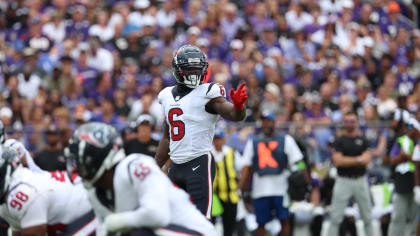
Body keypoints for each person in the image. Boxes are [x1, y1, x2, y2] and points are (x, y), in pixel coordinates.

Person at [65, 122, 217, 235]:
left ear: (97, 158)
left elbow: (157, 215)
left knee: (138, 232)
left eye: (81, 161)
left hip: (195, 231)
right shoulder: (95, 191)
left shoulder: (135, 165)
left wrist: (117, 221)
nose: (77, 168)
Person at [155, 45, 248, 218]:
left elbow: (234, 115)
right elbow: (167, 139)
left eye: (197, 70)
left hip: (198, 162)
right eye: (189, 69)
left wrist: (238, 106)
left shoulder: (207, 93)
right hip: (175, 166)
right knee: (175, 221)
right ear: (177, 70)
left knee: (199, 220)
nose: (193, 74)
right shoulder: (166, 95)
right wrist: (154, 167)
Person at [0, 147, 97, 235]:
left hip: (87, 206)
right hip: (66, 216)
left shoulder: (23, 193)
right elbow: (18, 230)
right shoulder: (9, 195)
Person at [239, 112, 307, 236]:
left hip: (281, 187)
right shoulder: (253, 141)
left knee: (284, 220)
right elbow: (246, 167)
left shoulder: (286, 139)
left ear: (274, 122)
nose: (266, 124)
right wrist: (241, 187)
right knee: (260, 222)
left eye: (268, 120)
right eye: (263, 121)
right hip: (260, 187)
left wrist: (305, 180)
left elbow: (299, 161)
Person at [327, 111, 373, 236]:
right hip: (343, 180)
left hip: (360, 180)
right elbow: (337, 161)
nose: (349, 124)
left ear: (357, 122)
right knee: (335, 217)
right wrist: (358, 159)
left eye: (352, 121)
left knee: (367, 216)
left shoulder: (363, 140)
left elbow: (367, 159)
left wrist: (346, 160)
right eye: (346, 121)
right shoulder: (339, 141)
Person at [387, 119, 419, 236]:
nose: (407, 129)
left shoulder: (418, 142)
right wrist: (403, 157)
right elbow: (392, 159)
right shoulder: (401, 140)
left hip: (417, 183)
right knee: (398, 216)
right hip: (402, 181)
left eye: (410, 126)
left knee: (415, 218)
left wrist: (407, 156)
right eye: (406, 127)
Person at [211, 128, 243, 236]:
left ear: (224, 140)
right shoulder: (209, 154)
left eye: (219, 139)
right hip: (214, 196)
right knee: (211, 226)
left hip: (231, 195)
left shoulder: (231, 152)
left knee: (229, 227)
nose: (217, 142)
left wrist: (239, 187)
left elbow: (243, 169)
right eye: (215, 139)